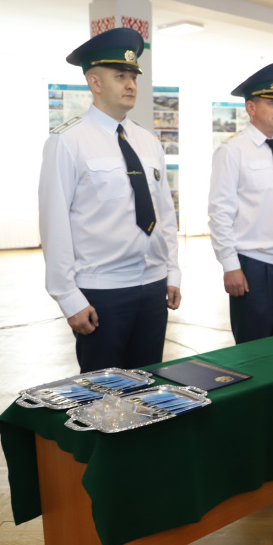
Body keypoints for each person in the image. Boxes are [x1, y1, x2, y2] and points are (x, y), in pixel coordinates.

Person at [39, 27, 181, 372]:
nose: (131, 84)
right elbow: (54, 223)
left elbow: (165, 213)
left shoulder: (147, 141)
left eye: (133, 76)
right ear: (95, 82)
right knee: (102, 391)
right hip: (102, 290)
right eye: (120, 76)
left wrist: (172, 271)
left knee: (148, 386)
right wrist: (68, 297)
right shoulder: (68, 141)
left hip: (152, 285)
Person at [208, 62, 273, 344]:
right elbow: (220, 213)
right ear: (251, 107)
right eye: (272, 103)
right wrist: (230, 265)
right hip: (252, 265)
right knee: (252, 350)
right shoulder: (232, 151)